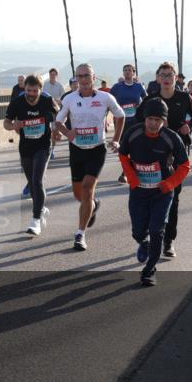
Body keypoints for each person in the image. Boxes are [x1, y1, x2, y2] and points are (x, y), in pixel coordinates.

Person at [119, 97, 191, 287]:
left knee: (157, 230)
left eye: (157, 120)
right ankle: (144, 243)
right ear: (144, 118)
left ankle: (149, 270)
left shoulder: (171, 137)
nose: (153, 123)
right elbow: (123, 155)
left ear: (164, 121)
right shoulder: (133, 133)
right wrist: (132, 177)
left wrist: (169, 184)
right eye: (150, 119)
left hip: (162, 193)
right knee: (138, 232)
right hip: (139, 191)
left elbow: (185, 165)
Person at [54, 63, 125, 251]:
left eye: (87, 76)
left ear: (94, 78)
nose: (83, 79)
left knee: (87, 188)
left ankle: (80, 234)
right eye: (80, 76)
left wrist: (116, 140)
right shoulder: (70, 99)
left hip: (97, 149)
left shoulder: (105, 97)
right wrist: (67, 132)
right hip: (77, 150)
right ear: (76, 79)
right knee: (79, 195)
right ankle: (93, 205)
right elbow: (58, 121)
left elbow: (121, 115)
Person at [134, 62, 192, 258]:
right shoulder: (151, 99)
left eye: (169, 75)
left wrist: (189, 126)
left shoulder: (184, 97)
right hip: (153, 153)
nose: (166, 78)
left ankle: (168, 240)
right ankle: (148, 236)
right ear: (157, 78)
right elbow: (138, 119)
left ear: (175, 77)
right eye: (162, 75)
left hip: (177, 152)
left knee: (173, 196)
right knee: (149, 194)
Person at [5, 74, 58, 235]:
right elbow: (6, 123)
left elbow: (59, 115)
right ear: (25, 88)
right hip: (26, 146)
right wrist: (14, 125)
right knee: (31, 183)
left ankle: (35, 220)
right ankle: (41, 209)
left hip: (43, 145)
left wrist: (57, 129)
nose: (31, 94)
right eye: (28, 90)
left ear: (40, 90)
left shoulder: (47, 100)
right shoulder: (17, 102)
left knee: (37, 180)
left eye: (35, 91)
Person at [110, 64, 147, 183]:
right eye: (125, 70)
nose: (127, 72)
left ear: (133, 73)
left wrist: (140, 107)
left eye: (129, 70)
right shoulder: (117, 87)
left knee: (134, 146)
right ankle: (126, 170)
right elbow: (109, 100)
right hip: (121, 121)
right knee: (122, 147)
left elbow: (146, 100)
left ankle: (125, 172)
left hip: (135, 120)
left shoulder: (138, 86)